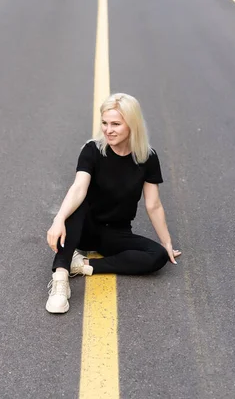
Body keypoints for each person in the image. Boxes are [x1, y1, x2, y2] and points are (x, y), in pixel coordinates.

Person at [45, 93, 182, 314]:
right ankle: (60, 277)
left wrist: (166, 243)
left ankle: (81, 266)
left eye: (116, 124)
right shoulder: (92, 150)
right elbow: (79, 187)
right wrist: (59, 219)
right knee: (76, 204)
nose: (108, 130)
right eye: (105, 123)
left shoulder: (147, 157)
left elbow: (153, 204)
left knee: (157, 256)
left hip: (115, 233)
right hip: (83, 228)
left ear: (132, 125)